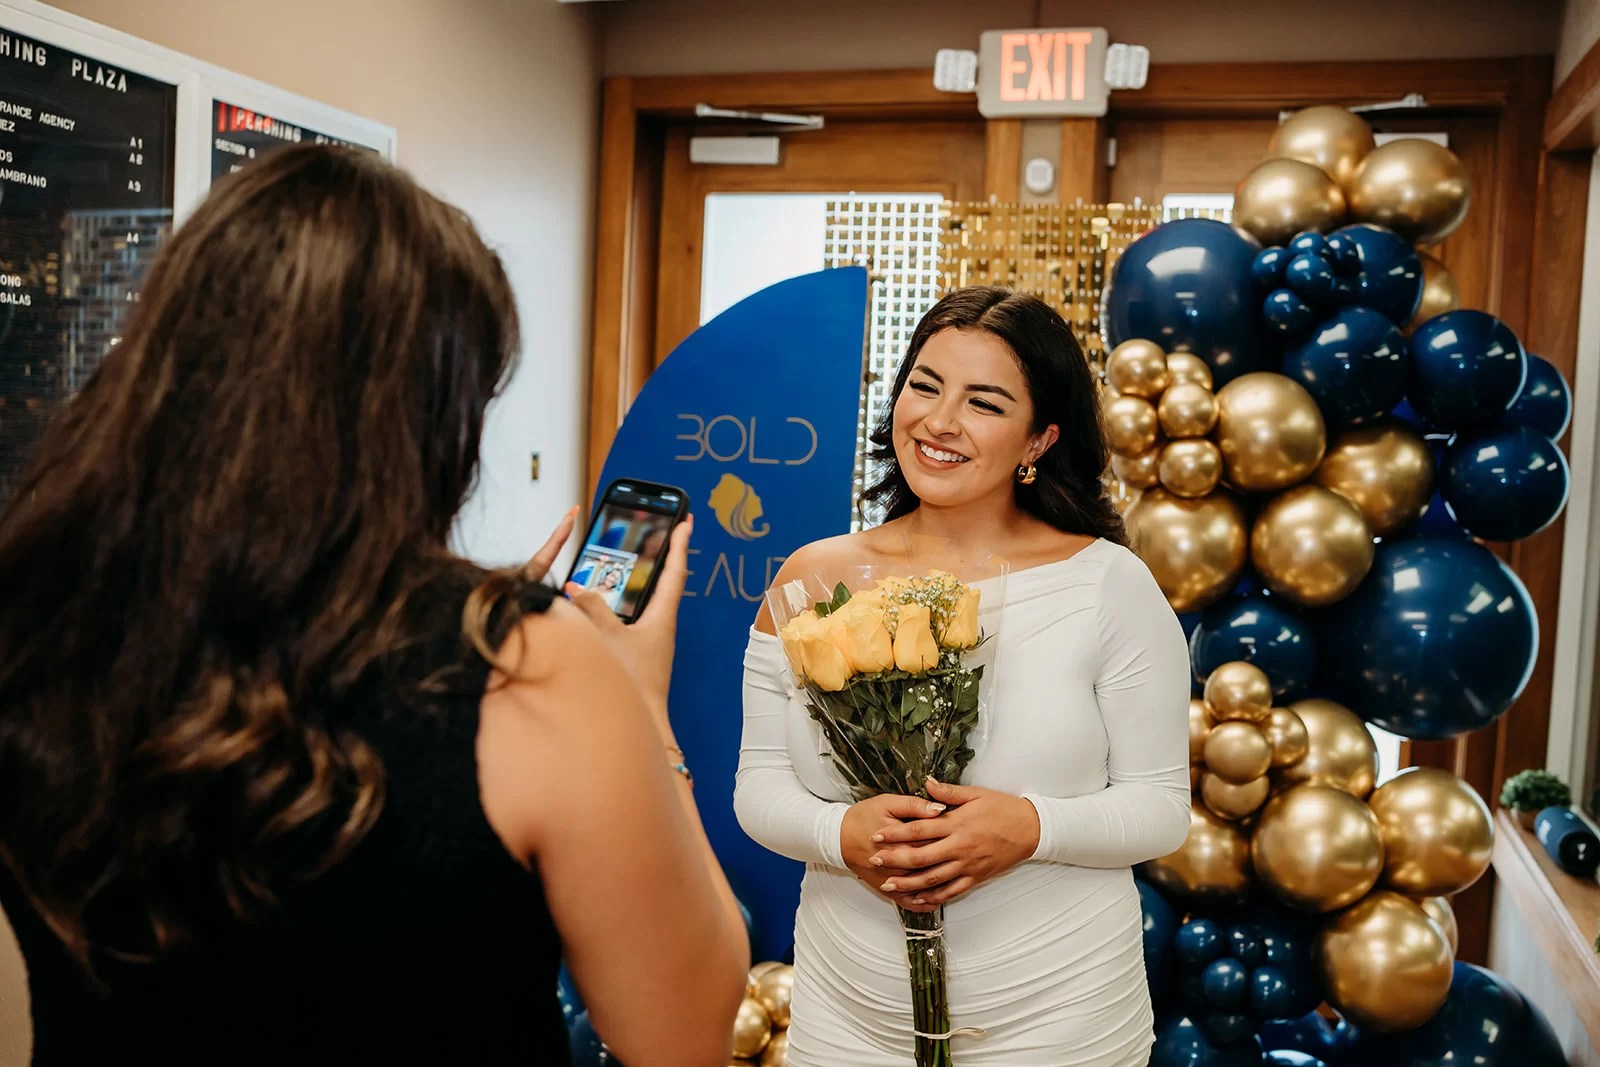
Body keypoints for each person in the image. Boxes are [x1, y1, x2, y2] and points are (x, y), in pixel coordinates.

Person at [0, 145, 748, 1066]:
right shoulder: (526, 667)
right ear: (427, 413)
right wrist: (637, 704)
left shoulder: (37, 612)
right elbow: (686, 1033)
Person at [736, 287, 1190, 1065]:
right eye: (925, 385)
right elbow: (759, 785)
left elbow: (1161, 808)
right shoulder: (812, 578)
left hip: (1061, 1021)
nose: (939, 421)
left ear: (1039, 438)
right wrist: (838, 834)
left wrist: (1030, 828)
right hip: (847, 1018)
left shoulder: (1108, 584)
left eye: (984, 402)